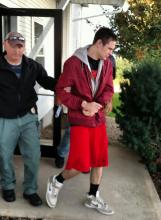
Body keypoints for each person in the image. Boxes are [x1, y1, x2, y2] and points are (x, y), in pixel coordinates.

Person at [46, 27, 117, 215]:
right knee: (80, 164)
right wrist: (84, 104)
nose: (111, 53)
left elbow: (109, 88)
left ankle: (93, 196)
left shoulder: (108, 63)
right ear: (99, 43)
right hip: (79, 119)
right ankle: (56, 181)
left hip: (98, 117)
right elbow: (61, 92)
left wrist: (97, 105)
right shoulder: (73, 63)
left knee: (99, 160)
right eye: (109, 48)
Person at [0, 32, 56, 206]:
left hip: (28, 116)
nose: (17, 50)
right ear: (5, 45)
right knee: (4, 155)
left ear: (24, 47)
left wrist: (64, 86)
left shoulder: (32, 66)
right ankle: (7, 185)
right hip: (5, 118)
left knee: (33, 155)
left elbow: (46, 81)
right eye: (13, 45)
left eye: (20, 46)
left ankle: (30, 189)